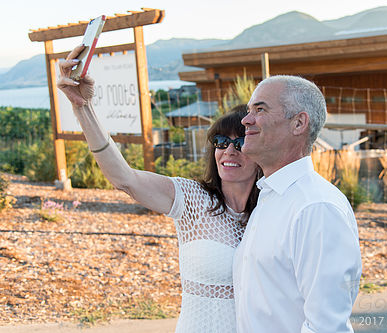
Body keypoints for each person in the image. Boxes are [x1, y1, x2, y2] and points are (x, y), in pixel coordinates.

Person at [57, 45, 260, 333]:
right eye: (221, 142)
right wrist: (83, 107)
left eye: (240, 143)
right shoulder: (191, 198)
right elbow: (123, 178)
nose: (229, 151)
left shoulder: (273, 207)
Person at [234, 75, 362, 332]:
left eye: (260, 109)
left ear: (299, 123)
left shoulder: (316, 208)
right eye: (249, 111)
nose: (246, 120)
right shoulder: (271, 197)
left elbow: (326, 326)